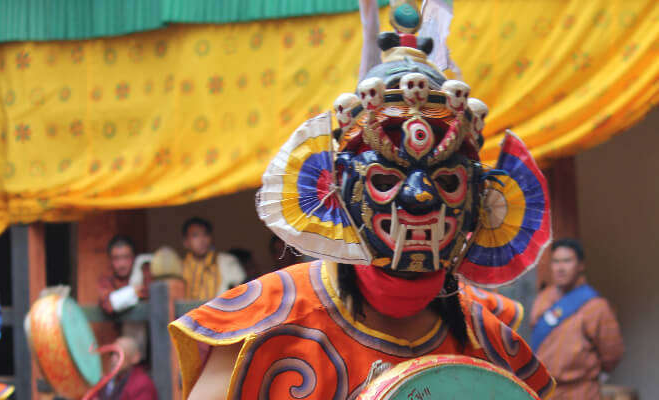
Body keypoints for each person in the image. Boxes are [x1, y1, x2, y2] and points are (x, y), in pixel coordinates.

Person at [170, 3, 555, 399]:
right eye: (387, 178)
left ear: (480, 200)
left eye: (447, 182)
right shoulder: (269, 321)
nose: (420, 197)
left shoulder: (486, 333)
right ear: (336, 191)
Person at [530, 239, 624, 399]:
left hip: (581, 391)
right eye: (556, 261)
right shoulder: (543, 299)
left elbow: (612, 354)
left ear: (581, 265)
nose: (560, 268)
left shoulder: (596, 306)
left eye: (567, 261)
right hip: (545, 392)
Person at [180, 217, 245, 300]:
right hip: (190, 313)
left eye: (205, 234)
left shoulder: (227, 262)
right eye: (195, 235)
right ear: (185, 242)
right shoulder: (178, 269)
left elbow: (240, 293)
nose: (202, 240)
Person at [98, 235, 151, 314]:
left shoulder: (145, 274)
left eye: (126, 257)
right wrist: (134, 291)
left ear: (133, 257)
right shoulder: (106, 279)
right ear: (110, 260)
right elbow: (108, 304)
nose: (122, 264)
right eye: (116, 258)